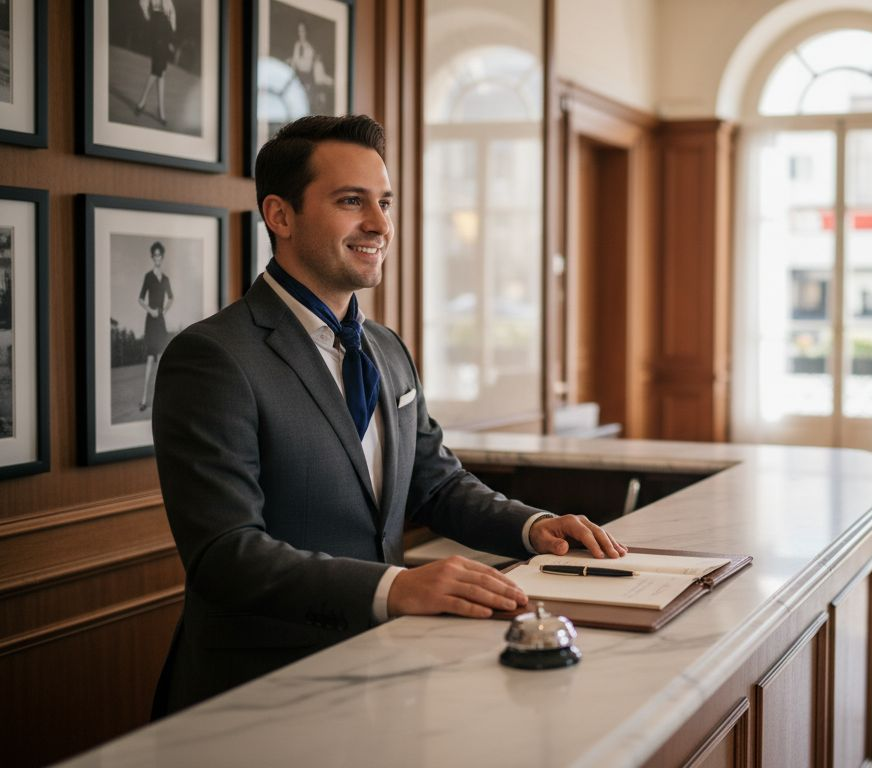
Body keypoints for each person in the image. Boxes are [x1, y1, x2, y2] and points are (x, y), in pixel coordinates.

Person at [150, 115, 626, 717]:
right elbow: (225, 553)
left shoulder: (386, 348)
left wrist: (534, 529)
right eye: (352, 202)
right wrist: (396, 586)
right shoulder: (213, 357)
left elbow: (437, 482)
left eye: (384, 202)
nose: (379, 224)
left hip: (386, 674)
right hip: (260, 693)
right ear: (280, 216)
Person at [137, 241, 173, 412]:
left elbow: (171, 298)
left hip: (160, 321)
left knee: (161, 359)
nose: (157, 258)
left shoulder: (165, 279)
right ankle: (144, 399)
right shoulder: (148, 277)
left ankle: (161, 400)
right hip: (151, 320)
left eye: (159, 255)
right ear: (152, 257)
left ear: (162, 257)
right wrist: (150, 310)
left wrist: (163, 311)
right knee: (150, 359)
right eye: (155, 255)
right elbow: (140, 299)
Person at [134, 0, 177, 125]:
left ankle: (151, 106)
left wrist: (171, 37)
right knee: (157, 70)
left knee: (161, 72)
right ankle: (145, 103)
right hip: (156, 28)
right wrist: (148, 16)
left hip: (166, 30)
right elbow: (142, 2)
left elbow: (172, 12)